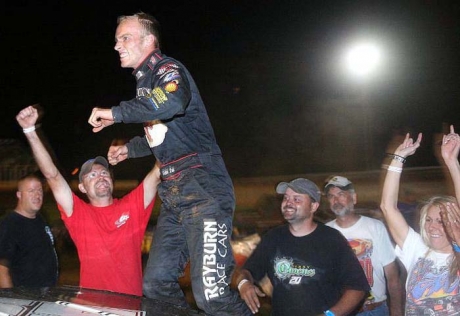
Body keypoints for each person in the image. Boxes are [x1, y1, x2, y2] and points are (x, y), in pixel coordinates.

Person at [87, 13, 250, 315]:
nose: (117, 45)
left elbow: (173, 102)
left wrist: (115, 113)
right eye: (115, 39)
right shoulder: (145, 84)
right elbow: (164, 133)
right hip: (175, 194)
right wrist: (130, 149)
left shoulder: (167, 68)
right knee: (156, 284)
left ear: (149, 40)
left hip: (203, 187)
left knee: (211, 296)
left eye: (125, 37)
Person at [16, 105, 160, 296]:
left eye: (103, 172)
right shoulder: (78, 213)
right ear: (82, 187)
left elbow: (159, 170)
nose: (99, 176)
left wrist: (161, 119)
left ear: (111, 179)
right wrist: (30, 131)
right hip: (89, 308)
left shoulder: (133, 205)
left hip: (129, 308)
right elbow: (52, 176)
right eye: (91, 175)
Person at [237, 178, 370, 316]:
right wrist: (244, 284)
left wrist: (330, 315)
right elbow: (247, 272)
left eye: (297, 199)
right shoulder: (274, 237)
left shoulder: (332, 239)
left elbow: (358, 288)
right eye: (286, 198)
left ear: (313, 207)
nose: (288, 203)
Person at [380, 127, 460, 315]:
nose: (433, 226)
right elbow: (387, 207)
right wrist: (397, 159)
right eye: (429, 220)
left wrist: (451, 162)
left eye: (441, 221)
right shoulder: (417, 248)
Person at [324, 176, 404, 315]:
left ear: (354, 198)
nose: (336, 200)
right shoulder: (324, 232)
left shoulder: (375, 227)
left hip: (374, 310)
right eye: (331, 196)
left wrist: (396, 311)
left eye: (341, 194)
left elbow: (392, 275)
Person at [0, 174, 58, 288]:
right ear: (19, 195)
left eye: (40, 190)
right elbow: (2, 270)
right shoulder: (10, 225)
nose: (37, 195)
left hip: (47, 293)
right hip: (26, 300)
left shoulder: (40, 218)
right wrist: (14, 303)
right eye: (31, 191)